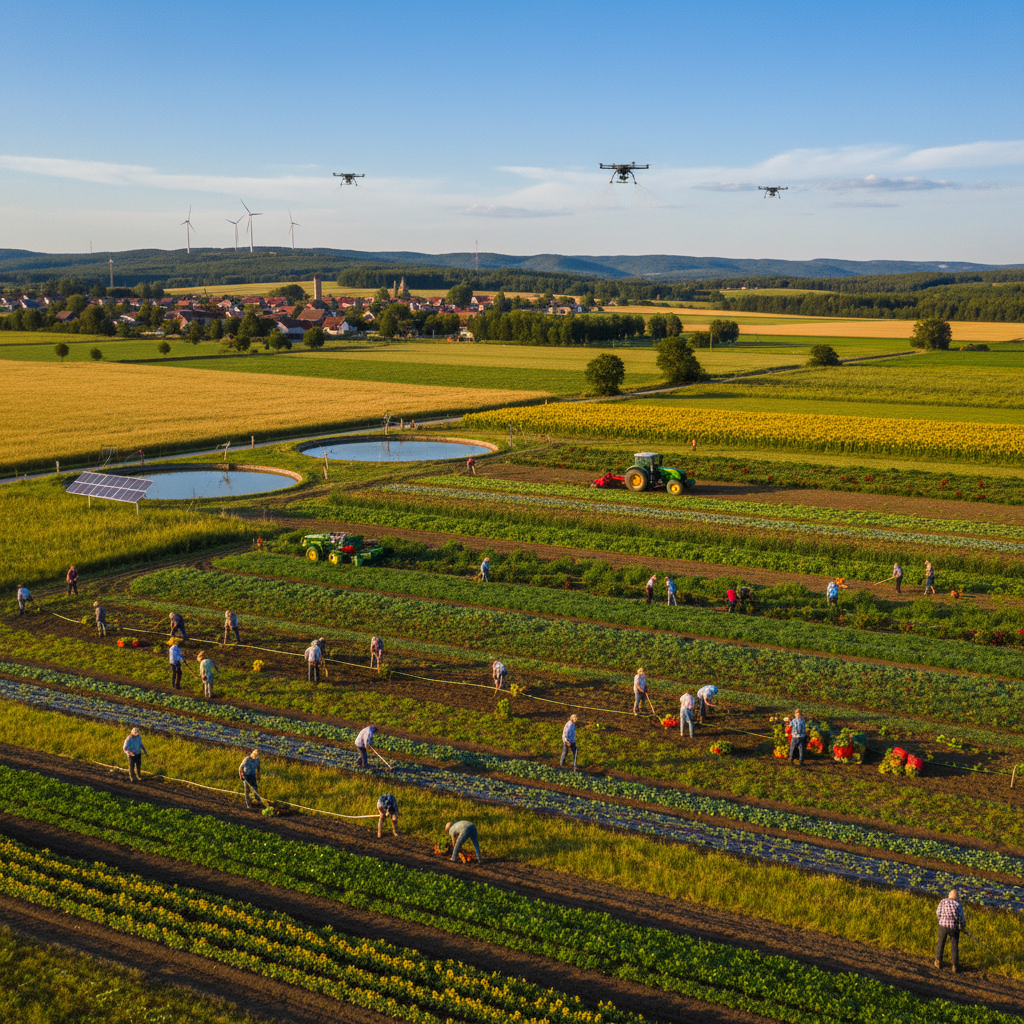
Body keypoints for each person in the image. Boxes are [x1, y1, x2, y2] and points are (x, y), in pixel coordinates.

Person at [935, 889, 966, 972]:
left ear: (949, 895)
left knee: (941, 943)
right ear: (956, 897)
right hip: (954, 927)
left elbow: (938, 912)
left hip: (943, 926)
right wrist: (962, 926)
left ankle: (938, 961)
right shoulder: (958, 905)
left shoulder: (942, 901)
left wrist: (940, 920)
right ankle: (955, 965)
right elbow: (961, 918)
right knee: (954, 945)